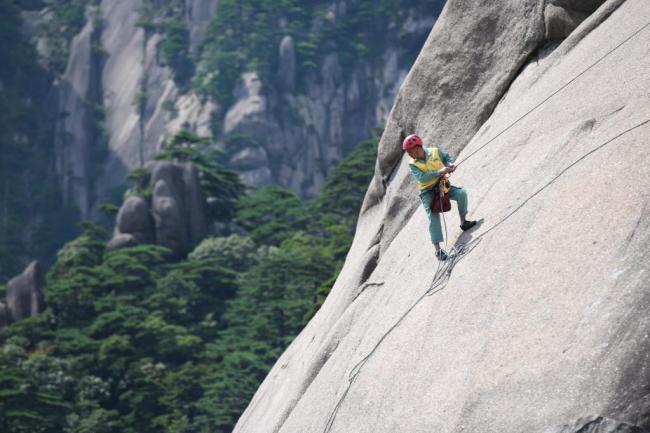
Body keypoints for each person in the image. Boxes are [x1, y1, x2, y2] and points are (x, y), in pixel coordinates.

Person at [403, 134, 477, 261]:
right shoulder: (413, 164)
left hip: (442, 186)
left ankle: (464, 222)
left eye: (410, 151)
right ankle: (438, 250)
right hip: (427, 192)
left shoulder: (434, 151)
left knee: (461, 194)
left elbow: (446, 158)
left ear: (418, 147)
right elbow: (422, 177)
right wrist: (440, 172)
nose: (409, 154)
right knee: (433, 216)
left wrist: (451, 164)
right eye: (408, 152)